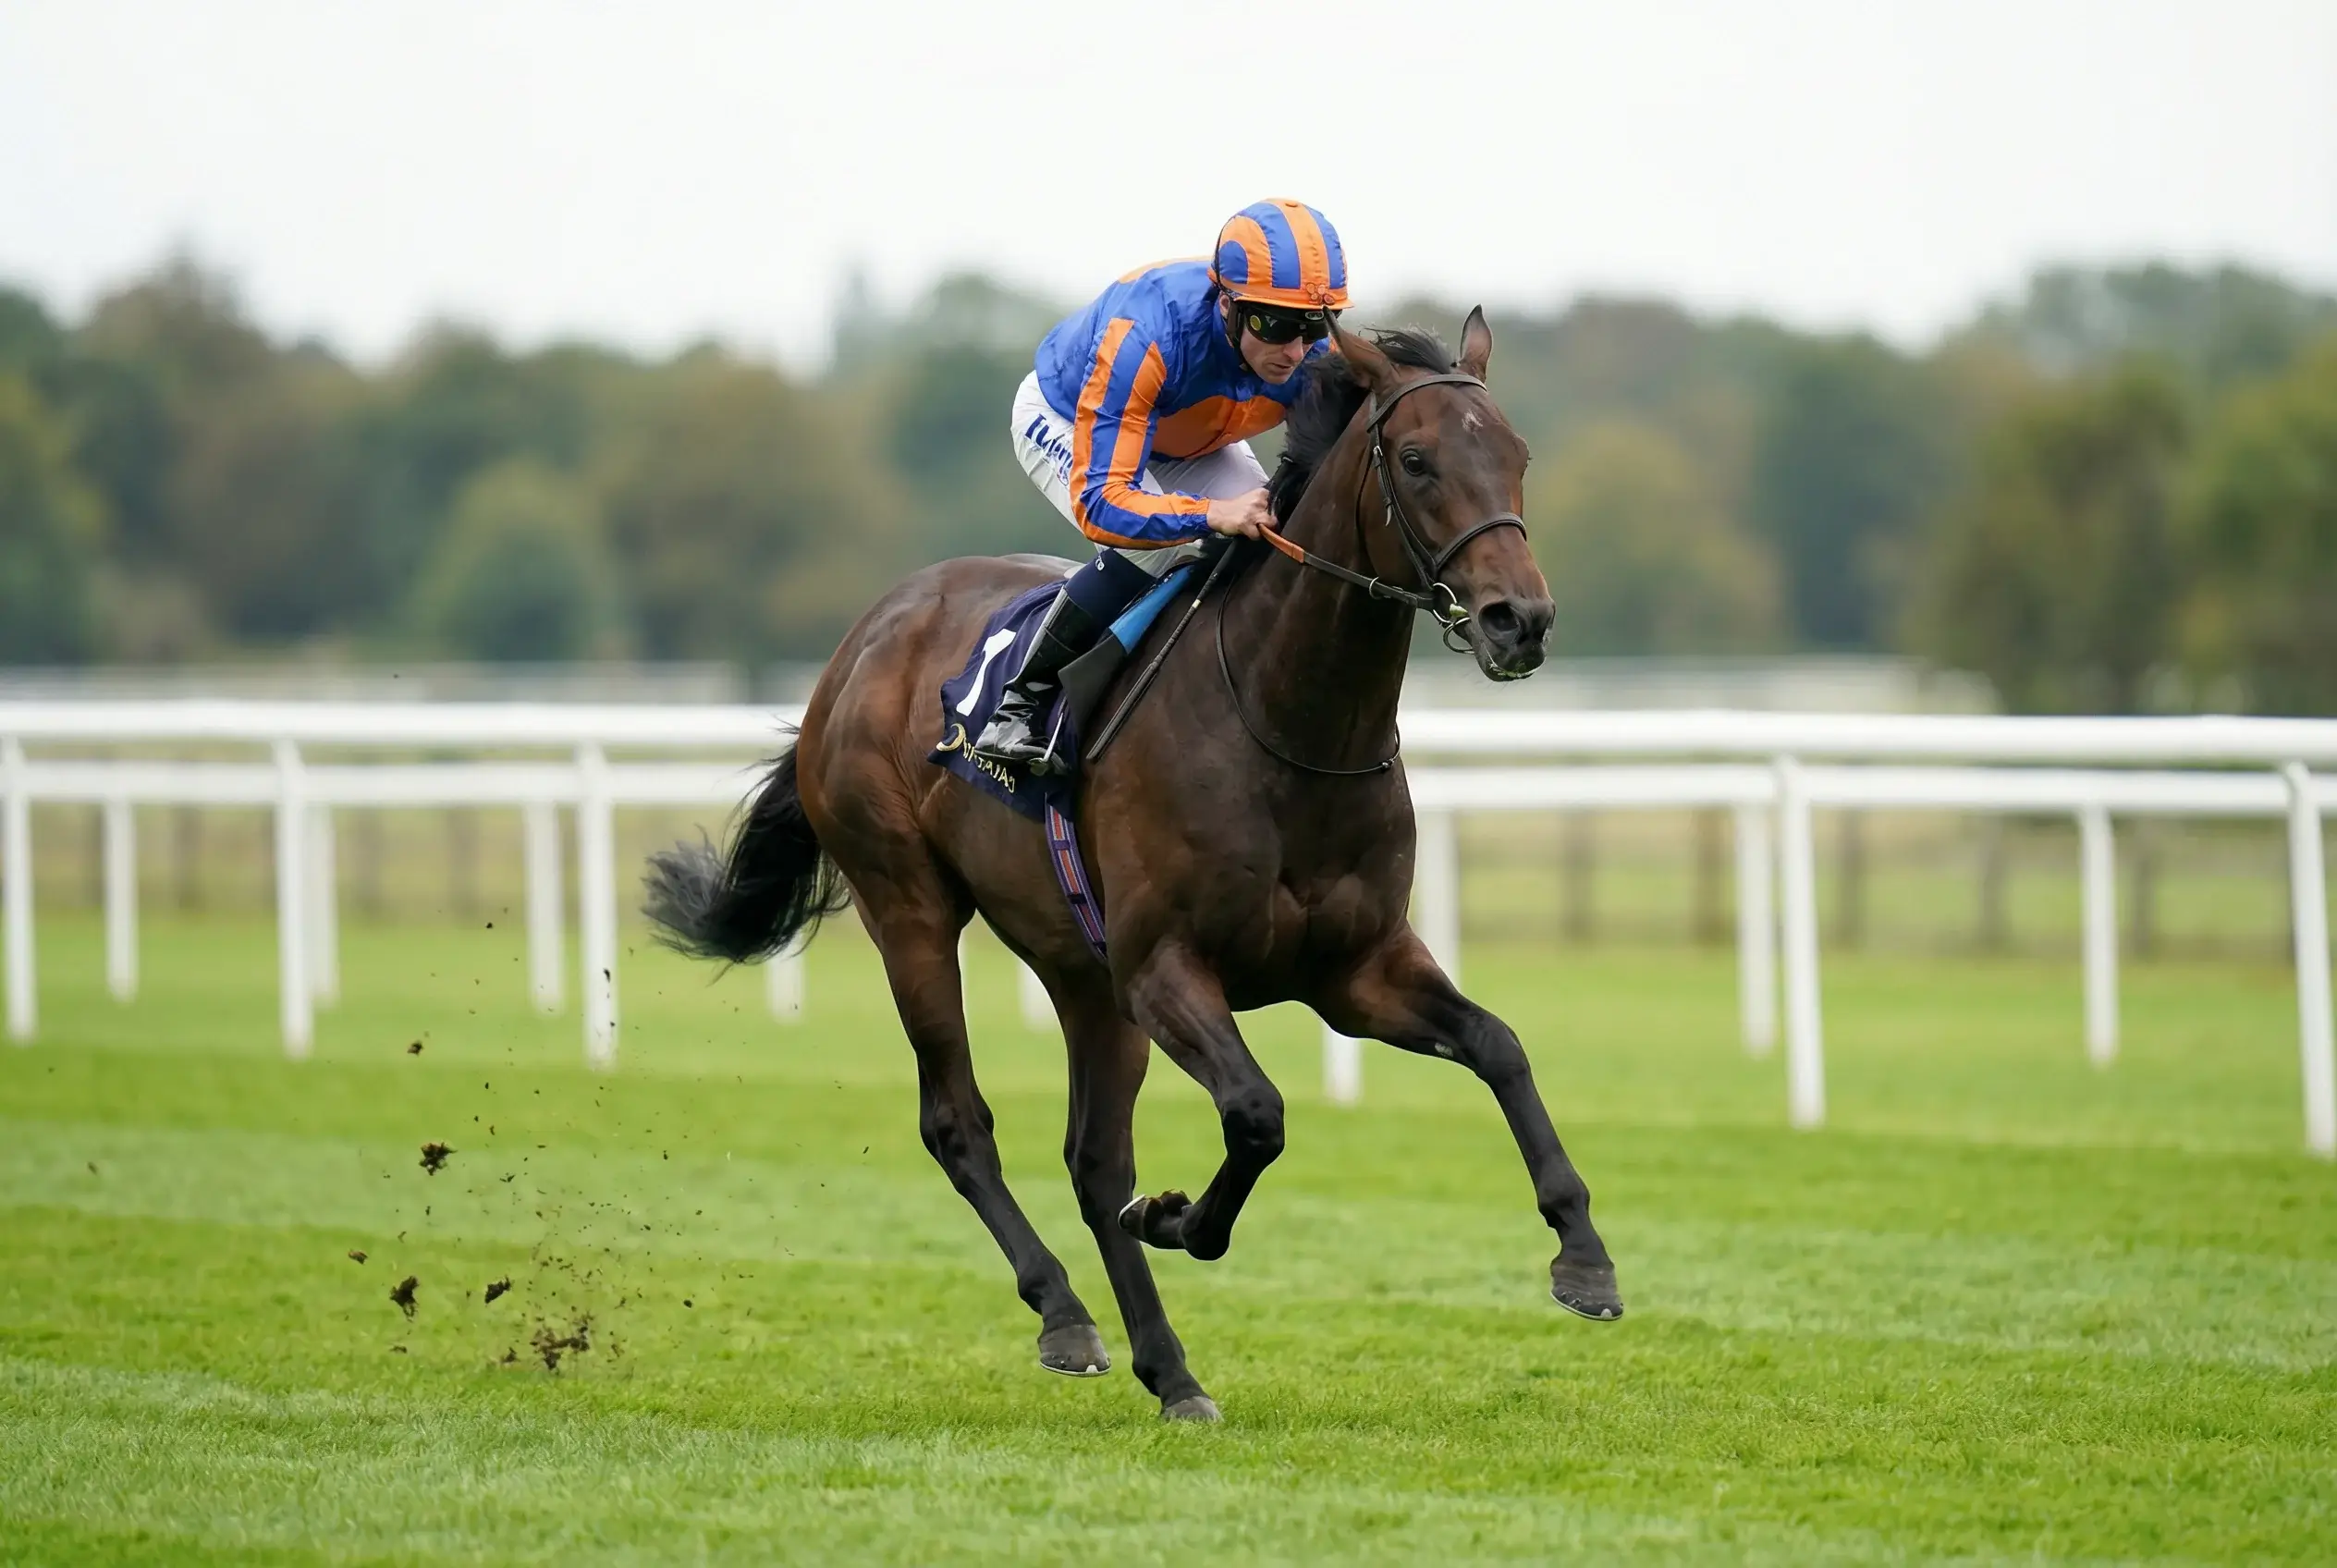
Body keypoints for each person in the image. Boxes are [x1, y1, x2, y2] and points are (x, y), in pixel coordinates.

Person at [972, 198, 1350, 768]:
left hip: (1182, 437)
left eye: (1312, 327)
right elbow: (1104, 504)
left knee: (1267, 530)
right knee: (1161, 543)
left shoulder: (1309, 349)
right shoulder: (1146, 335)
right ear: (1228, 303)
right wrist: (1206, 515)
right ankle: (1018, 704)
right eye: (1275, 326)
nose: (1296, 351)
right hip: (1070, 418)